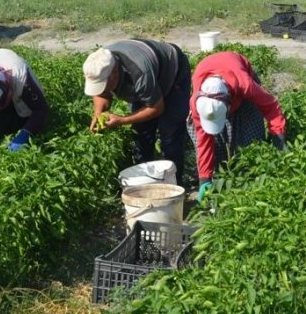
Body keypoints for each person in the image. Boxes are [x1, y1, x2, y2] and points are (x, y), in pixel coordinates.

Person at [83, 39, 191, 189]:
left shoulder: (139, 73)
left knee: (170, 135)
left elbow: (156, 107)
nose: (100, 89)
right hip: (147, 82)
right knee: (141, 135)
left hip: (172, 73)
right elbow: (101, 93)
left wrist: (122, 120)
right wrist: (98, 112)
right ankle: (145, 185)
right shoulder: (98, 64)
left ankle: (175, 187)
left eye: (103, 84)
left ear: (114, 73)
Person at [188, 51, 286, 200]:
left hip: (238, 79)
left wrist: (279, 138)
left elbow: (271, 106)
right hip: (220, 83)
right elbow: (204, 140)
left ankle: (252, 183)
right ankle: (222, 180)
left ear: (229, 105)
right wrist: (204, 178)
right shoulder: (198, 103)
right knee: (216, 145)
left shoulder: (245, 84)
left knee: (250, 141)